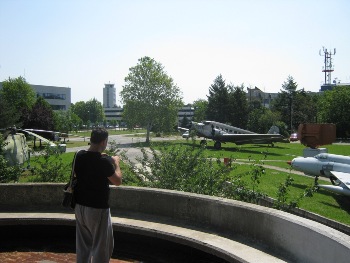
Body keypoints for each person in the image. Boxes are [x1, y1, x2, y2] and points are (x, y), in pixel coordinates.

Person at [73, 127, 122, 263]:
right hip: (97, 209)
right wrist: (116, 163)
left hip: (80, 206)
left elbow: (81, 173)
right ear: (104, 141)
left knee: (83, 247)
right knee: (102, 248)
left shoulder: (79, 156)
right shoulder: (104, 162)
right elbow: (117, 181)